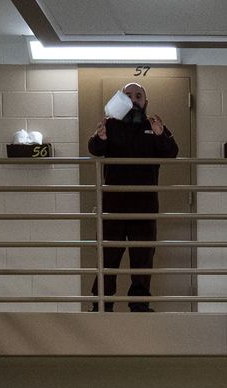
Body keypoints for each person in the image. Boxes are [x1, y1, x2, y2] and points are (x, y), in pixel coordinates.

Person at [88, 82, 179, 312]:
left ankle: (139, 304)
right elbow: (94, 149)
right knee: (108, 258)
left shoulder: (154, 125)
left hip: (144, 206)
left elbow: (172, 153)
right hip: (113, 206)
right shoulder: (111, 124)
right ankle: (102, 304)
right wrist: (100, 137)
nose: (133, 98)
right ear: (121, 99)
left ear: (145, 102)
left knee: (142, 259)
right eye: (128, 95)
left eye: (138, 95)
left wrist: (161, 136)